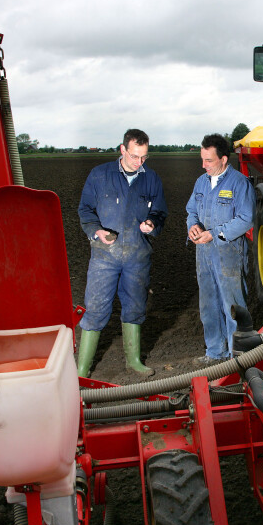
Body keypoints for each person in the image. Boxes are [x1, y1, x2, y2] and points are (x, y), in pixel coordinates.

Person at [76, 129, 167, 378]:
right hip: (105, 254)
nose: (139, 163)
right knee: (95, 307)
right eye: (135, 156)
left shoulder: (152, 178)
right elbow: (85, 210)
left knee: (135, 305)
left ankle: (134, 361)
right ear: (123, 150)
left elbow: (160, 212)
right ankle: (82, 369)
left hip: (137, 255)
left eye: (144, 157)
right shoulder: (99, 175)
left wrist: (151, 224)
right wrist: (96, 231)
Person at [185, 133, 254, 365]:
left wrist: (213, 234)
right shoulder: (200, 182)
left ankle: (237, 359)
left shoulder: (239, 184)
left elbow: (246, 219)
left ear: (224, 159)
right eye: (202, 160)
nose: (203, 166)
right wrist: (192, 225)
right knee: (208, 305)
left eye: (209, 161)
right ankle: (215, 352)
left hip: (229, 254)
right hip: (203, 254)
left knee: (232, 306)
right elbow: (191, 210)